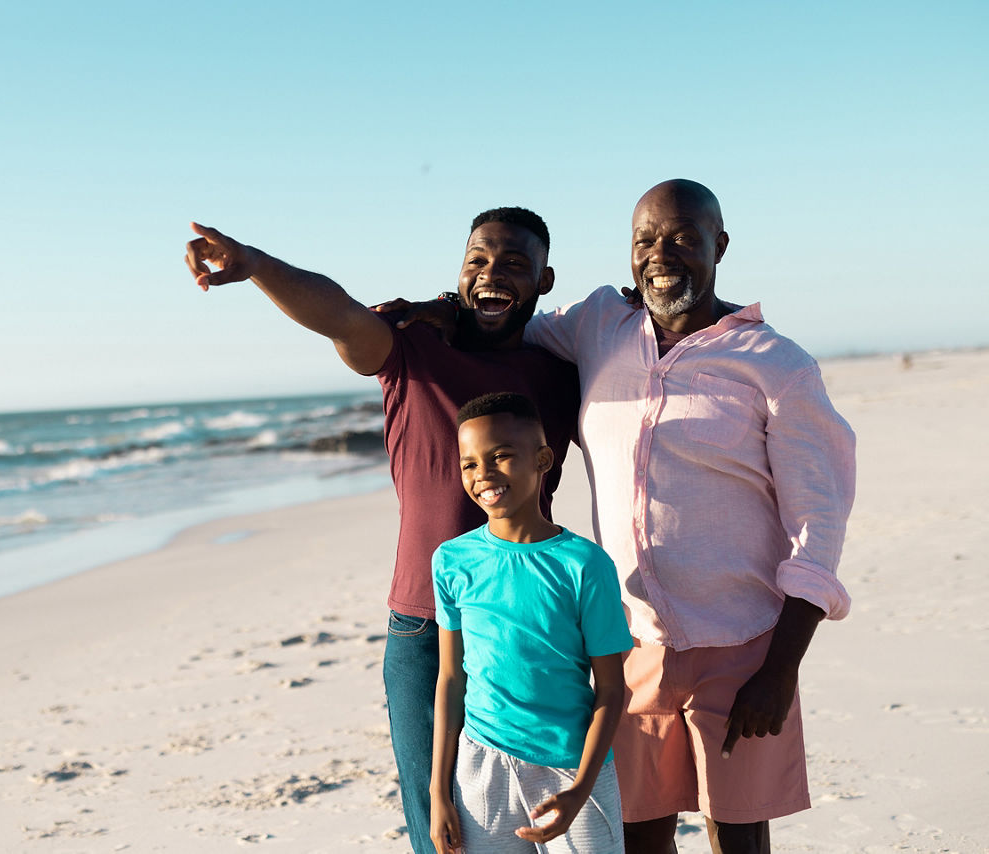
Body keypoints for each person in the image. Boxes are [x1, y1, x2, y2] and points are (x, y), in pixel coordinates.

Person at [393, 180, 856, 854]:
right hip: (628, 642)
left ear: (718, 245)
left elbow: (820, 521)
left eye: (682, 238)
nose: (660, 254)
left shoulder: (776, 364)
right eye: (645, 240)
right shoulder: (597, 326)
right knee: (636, 836)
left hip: (743, 644)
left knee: (738, 837)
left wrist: (781, 667)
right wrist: (443, 310)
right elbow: (506, 321)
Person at [184, 208, 581, 854]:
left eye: (514, 264)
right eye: (477, 260)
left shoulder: (560, 374)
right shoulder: (412, 350)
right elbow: (338, 315)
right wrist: (255, 265)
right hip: (425, 630)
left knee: (531, 822)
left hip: (527, 620)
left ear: (544, 279)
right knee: (442, 829)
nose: (491, 274)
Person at [430, 392, 631, 854]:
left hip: (571, 766)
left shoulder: (584, 564)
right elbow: (449, 679)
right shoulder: (451, 561)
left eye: (500, 456)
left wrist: (581, 789)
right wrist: (439, 792)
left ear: (543, 459)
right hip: (482, 765)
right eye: (469, 464)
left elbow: (612, 689)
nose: (483, 475)